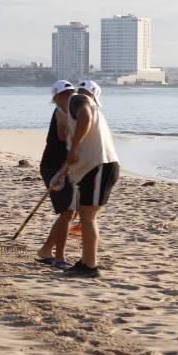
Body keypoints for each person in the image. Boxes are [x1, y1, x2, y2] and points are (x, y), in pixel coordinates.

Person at [63, 80, 119, 279]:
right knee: (87, 214)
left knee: (88, 216)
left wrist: (75, 147)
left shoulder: (78, 99)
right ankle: (86, 261)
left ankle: (90, 265)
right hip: (97, 166)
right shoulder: (88, 103)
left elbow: (85, 118)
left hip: (100, 165)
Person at [36, 80, 76, 269]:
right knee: (67, 212)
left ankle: (46, 250)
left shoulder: (72, 111)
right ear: (57, 97)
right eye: (66, 94)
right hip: (54, 167)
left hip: (64, 167)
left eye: (72, 93)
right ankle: (58, 257)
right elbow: (62, 137)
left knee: (69, 213)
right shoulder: (61, 112)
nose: (70, 97)